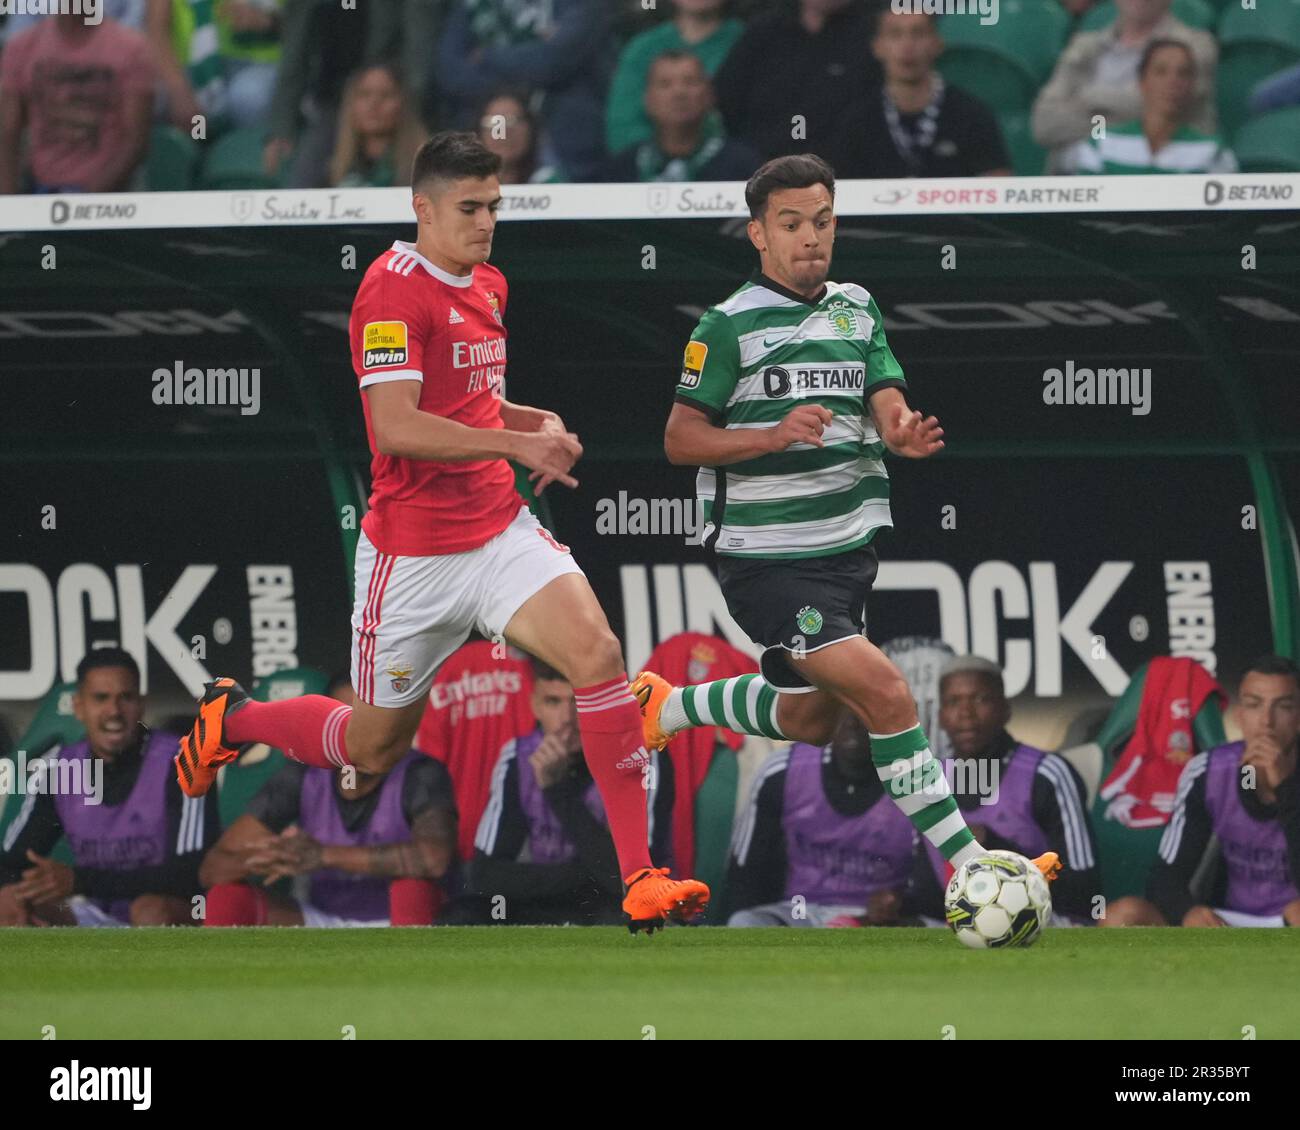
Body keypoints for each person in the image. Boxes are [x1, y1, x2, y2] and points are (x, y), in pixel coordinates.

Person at [173, 132, 709, 934]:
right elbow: (395, 426)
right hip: (412, 559)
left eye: (495, 205)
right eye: (469, 208)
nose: (487, 221)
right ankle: (234, 717)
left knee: (598, 654)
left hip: (497, 532)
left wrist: (534, 421)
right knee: (371, 747)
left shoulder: (489, 283)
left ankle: (640, 878)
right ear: (422, 209)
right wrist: (517, 442)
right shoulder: (389, 293)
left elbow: (471, 403)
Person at [633, 153, 1061, 896]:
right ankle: (974, 870)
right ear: (759, 235)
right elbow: (679, 438)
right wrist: (768, 435)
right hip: (767, 561)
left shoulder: (855, 307)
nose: (810, 238)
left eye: (822, 222)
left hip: (846, 553)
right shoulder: (727, 325)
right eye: (792, 224)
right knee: (890, 694)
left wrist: (897, 430)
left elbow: (885, 392)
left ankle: (667, 705)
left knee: (809, 720)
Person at [200, 678, 457, 927]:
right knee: (227, 898)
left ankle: (411, 969)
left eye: (366, 725)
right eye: (343, 724)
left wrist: (323, 856)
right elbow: (213, 869)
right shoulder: (303, 775)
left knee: (413, 890)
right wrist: (277, 856)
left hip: (398, 920)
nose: (357, 738)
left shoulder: (419, 772)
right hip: (320, 918)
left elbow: (434, 860)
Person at [0, 649, 217, 928]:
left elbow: (192, 874)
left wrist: (79, 881)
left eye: (125, 698)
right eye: (100, 698)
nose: (113, 711)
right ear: (79, 707)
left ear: (141, 705)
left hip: (170, 912)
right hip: (90, 909)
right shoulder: (57, 768)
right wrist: (15, 891)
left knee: (150, 910)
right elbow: (13, 862)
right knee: (8, 903)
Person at [465, 661, 674, 925]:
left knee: (631, 917)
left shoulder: (642, 759)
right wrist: (584, 876)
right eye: (553, 702)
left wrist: (557, 790)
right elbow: (486, 875)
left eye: (579, 703)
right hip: (544, 904)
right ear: (535, 707)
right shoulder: (517, 757)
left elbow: (631, 881)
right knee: (466, 913)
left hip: (616, 909)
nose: (567, 718)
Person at [1103, 656, 1300, 928]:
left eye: (1283, 707)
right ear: (1240, 716)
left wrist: (1286, 789)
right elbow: (1165, 878)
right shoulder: (1210, 772)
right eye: (1254, 705)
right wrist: (1189, 912)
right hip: (1228, 922)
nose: (1266, 721)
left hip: (1292, 920)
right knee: (1122, 914)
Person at [906, 656, 1100, 925]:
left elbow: (1084, 890)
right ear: (941, 717)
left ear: (1005, 710)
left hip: (1041, 923)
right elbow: (923, 892)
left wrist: (996, 848)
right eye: (953, 702)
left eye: (980, 700)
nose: (966, 713)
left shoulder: (1047, 774)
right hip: (950, 928)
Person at [725, 713, 914, 927]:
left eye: (862, 710)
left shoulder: (916, 780)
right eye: (844, 709)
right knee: (744, 921)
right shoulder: (785, 769)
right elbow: (745, 870)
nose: (852, 722)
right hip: (801, 912)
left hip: (881, 921)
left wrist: (902, 904)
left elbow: (938, 880)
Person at [435, 0, 612, 182]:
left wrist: (487, 56)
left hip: (569, 144)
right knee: (501, 112)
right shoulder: (470, 4)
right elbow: (452, 74)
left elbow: (553, 61)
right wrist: (531, 62)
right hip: (488, 113)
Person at [1031, 0, 1217, 169]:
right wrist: (1111, 122)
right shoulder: (1083, 46)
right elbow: (1044, 122)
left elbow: (1158, 108)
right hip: (1077, 183)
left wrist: (1089, 99)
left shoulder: (1194, 46)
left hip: (1164, 171)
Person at [835, 11, 1010, 179]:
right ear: (877, 47)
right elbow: (837, 192)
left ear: (937, 43)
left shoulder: (972, 115)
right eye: (895, 34)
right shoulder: (857, 119)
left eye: (918, 33)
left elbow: (998, 186)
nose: (907, 45)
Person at [711, 0, 878, 166]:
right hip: (759, 164)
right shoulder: (763, 32)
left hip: (848, 168)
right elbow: (726, 99)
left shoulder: (874, 36)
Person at [0, 13, 153, 194]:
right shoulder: (21, 47)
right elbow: (7, 133)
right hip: (39, 191)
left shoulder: (132, 49)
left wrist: (82, 204)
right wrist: (7, 206)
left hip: (109, 201)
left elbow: (135, 141)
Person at [1060, 39, 1236, 175]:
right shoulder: (1099, 146)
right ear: (1142, 82)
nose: (1173, 82)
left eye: (1183, 73)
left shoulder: (1213, 152)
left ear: (1192, 85)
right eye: (1161, 71)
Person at [605, 0, 744, 156]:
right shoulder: (642, 48)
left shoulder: (749, 42)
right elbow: (623, 128)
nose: (679, 93)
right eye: (665, 84)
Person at [601, 52, 759, 184]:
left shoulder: (744, 167)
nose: (679, 93)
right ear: (648, 100)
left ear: (709, 95)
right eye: (665, 84)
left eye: (690, 82)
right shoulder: (622, 169)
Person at [328, 63, 428, 188]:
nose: (374, 104)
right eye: (364, 95)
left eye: (386, 95)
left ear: (403, 104)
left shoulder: (427, 166)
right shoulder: (331, 165)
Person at [476, 89, 562, 183]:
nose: (503, 132)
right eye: (493, 122)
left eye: (512, 121)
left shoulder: (548, 180)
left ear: (530, 129)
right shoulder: (462, 184)